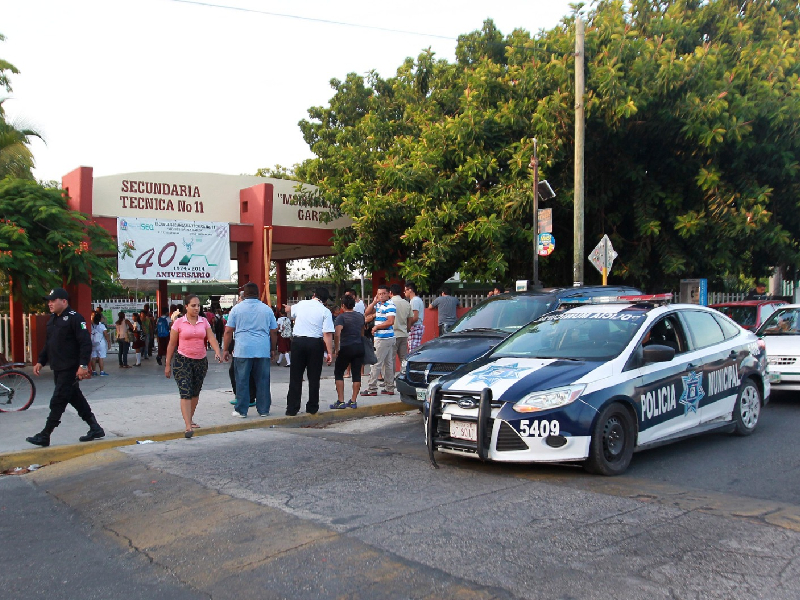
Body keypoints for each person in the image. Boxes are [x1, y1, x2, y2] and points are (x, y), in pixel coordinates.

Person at [26, 287, 105, 447]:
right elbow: (49, 344)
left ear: (64, 301)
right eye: (49, 301)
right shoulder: (52, 319)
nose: (50, 304)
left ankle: (45, 434)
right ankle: (95, 427)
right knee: (74, 398)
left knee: (59, 399)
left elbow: (85, 343)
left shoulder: (76, 318)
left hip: (70, 367)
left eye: (53, 300)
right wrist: (41, 360)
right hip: (58, 366)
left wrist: (83, 365)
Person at [165, 294, 223, 438]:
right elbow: (172, 344)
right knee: (185, 391)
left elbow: (211, 338)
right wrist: (167, 364)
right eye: (193, 305)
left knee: (195, 392)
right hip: (182, 361)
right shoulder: (179, 323)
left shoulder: (204, 321)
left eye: (198, 305)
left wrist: (217, 352)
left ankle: (190, 418)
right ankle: (188, 426)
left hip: (200, 361)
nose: (197, 308)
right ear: (186, 307)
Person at [222, 282, 278, 418]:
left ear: (244, 294)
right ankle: (264, 409)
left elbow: (228, 331)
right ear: (258, 294)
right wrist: (272, 349)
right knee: (263, 380)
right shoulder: (267, 309)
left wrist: (225, 349)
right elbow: (274, 331)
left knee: (242, 380)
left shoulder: (236, 309)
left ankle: (241, 410)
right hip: (262, 348)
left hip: (242, 350)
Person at [283, 287, 334, 416]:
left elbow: (289, 311)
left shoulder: (302, 304)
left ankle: (292, 408)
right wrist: (329, 352)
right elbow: (327, 333)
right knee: (314, 377)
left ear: (314, 295)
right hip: (315, 344)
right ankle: (312, 407)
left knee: (296, 376)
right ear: (326, 300)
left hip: (298, 342)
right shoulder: (325, 311)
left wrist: (287, 308)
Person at [330, 295, 365, 409]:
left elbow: (337, 333)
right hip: (359, 347)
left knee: (339, 372)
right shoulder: (360, 317)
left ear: (343, 305)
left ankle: (341, 400)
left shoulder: (341, 317)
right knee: (356, 374)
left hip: (346, 347)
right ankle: (353, 400)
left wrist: (336, 349)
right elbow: (362, 333)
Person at [361, 285, 396, 397]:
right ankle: (389, 387)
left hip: (383, 338)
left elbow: (391, 321)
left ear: (388, 293)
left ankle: (372, 388)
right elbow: (366, 313)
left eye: (383, 293)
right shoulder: (380, 305)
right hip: (387, 337)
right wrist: (374, 302)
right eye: (379, 294)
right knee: (388, 364)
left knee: (375, 363)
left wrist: (377, 327)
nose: (381, 296)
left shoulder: (389, 305)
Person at [389, 283, 412, 370]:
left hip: (392, 334)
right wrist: (408, 329)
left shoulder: (389, 303)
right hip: (403, 334)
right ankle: (404, 376)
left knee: (391, 359)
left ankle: (390, 379)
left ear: (390, 292)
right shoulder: (406, 303)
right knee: (403, 358)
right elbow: (410, 319)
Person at [405, 281, 425, 354]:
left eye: (405, 290)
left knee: (413, 351)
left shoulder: (414, 301)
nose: (405, 293)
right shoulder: (417, 300)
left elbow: (415, 317)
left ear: (410, 290)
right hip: (417, 326)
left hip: (415, 327)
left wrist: (408, 326)